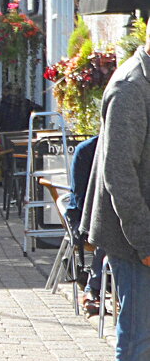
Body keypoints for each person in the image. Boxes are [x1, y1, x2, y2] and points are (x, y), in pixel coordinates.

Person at [82, 30, 150, 361]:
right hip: (136, 239)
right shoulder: (132, 87)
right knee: (140, 337)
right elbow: (119, 174)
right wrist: (145, 241)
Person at [65, 135, 104, 316]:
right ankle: (93, 289)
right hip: (84, 217)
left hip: (111, 215)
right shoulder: (87, 150)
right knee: (109, 233)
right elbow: (80, 199)